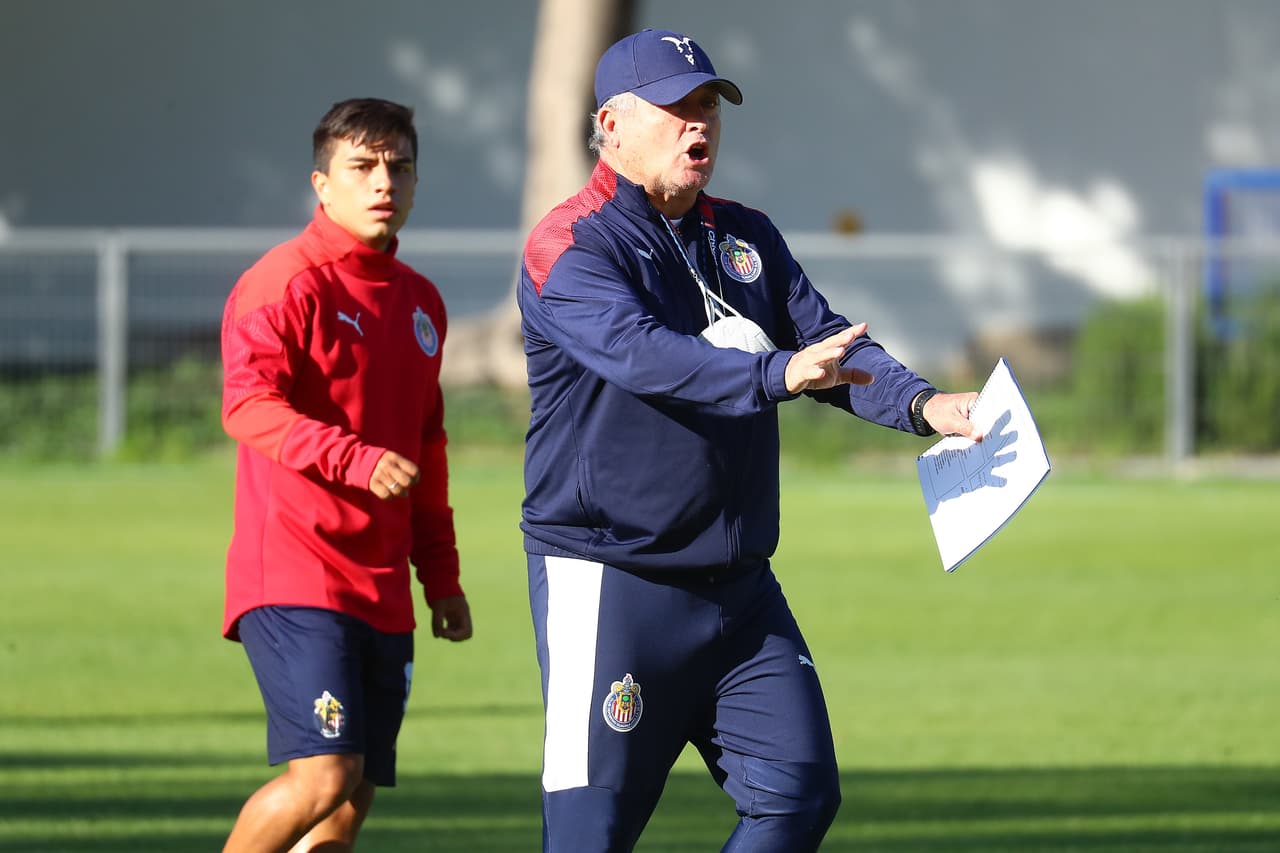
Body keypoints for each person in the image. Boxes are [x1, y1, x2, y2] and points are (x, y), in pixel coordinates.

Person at [517, 29, 981, 852]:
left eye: (707, 106)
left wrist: (925, 406)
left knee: (799, 797)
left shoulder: (747, 236)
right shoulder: (570, 245)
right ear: (611, 124)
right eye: (673, 108)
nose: (697, 126)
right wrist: (776, 376)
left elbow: (829, 345)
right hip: (612, 580)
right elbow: (644, 356)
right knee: (588, 837)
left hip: (738, 589)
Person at [218, 97, 473, 853]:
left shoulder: (421, 303)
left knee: (348, 802)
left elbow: (426, 451)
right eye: (361, 167)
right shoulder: (285, 283)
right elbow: (247, 407)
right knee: (324, 774)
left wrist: (444, 578)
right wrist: (354, 458)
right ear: (322, 185)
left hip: (383, 586)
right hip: (297, 573)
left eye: (397, 167)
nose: (382, 182)